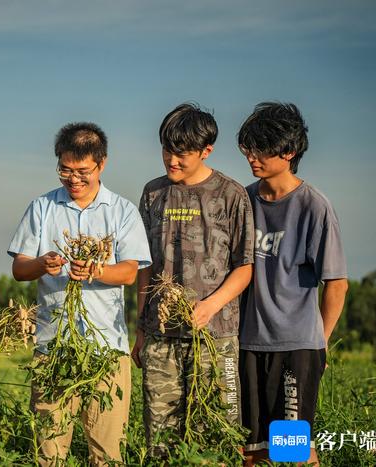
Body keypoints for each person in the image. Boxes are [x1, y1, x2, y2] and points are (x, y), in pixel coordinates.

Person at [8, 122, 151, 465]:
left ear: (101, 164)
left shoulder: (122, 211)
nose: (73, 179)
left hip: (107, 349)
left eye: (82, 171)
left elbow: (130, 272)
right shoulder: (42, 208)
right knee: (49, 452)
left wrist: (96, 270)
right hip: (53, 347)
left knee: (107, 453)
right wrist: (43, 263)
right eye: (65, 170)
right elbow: (19, 269)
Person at [131, 103, 255, 458]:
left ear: (206, 151)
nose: (172, 160)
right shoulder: (153, 193)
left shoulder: (231, 194)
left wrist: (211, 305)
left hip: (216, 337)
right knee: (160, 441)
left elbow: (245, 266)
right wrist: (140, 327)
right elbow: (145, 266)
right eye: (167, 150)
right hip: (160, 337)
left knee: (217, 435)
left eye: (182, 154)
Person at [237, 102, 348, 466]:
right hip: (248, 344)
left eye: (261, 148)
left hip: (297, 346)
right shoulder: (244, 200)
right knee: (251, 451)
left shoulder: (314, 206)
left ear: (288, 152)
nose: (252, 156)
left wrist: (321, 341)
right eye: (248, 147)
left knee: (292, 449)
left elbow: (336, 283)